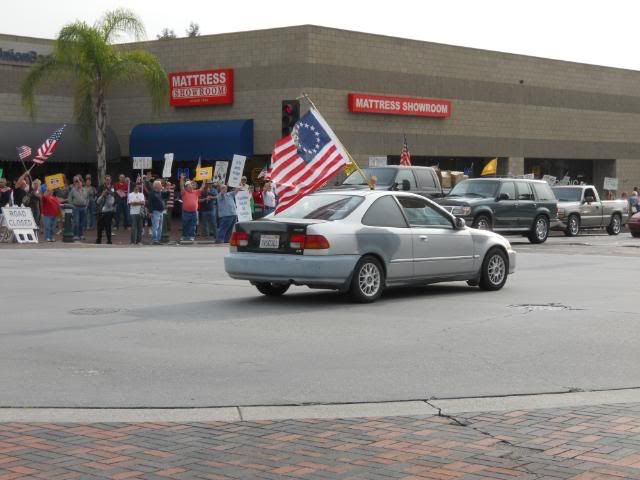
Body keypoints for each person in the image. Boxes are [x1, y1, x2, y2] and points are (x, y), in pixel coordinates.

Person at [179, 175, 205, 242]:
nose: (190, 187)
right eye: (189, 186)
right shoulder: (184, 192)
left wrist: (204, 180)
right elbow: (181, 186)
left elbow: (202, 187)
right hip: (186, 212)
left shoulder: (196, 192)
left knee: (193, 225)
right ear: (186, 187)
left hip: (194, 212)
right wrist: (181, 179)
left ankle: (191, 236)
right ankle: (184, 236)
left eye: (191, 186)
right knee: (185, 224)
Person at [68, 175, 89, 241]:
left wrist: (86, 205)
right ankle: (75, 235)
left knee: (82, 222)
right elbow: (69, 199)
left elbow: (87, 198)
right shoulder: (73, 190)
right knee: (76, 222)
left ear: (81, 182)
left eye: (79, 181)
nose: (78, 183)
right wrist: (72, 205)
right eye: (76, 181)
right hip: (76, 207)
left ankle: (81, 234)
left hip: (83, 208)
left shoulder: (84, 190)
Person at [96, 176, 116, 244]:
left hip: (108, 211)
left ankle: (109, 240)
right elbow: (98, 200)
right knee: (99, 227)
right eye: (106, 180)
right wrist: (102, 194)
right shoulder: (101, 187)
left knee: (108, 226)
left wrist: (109, 193)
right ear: (104, 180)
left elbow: (113, 198)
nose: (108, 181)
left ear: (110, 180)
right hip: (100, 210)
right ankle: (98, 240)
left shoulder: (112, 188)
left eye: (109, 180)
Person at [149, 180, 166, 244]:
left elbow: (167, 195)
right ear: (156, 186)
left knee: (160, 227)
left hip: (161, 211)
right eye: (160, 185)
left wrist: (166, 189)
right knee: (155, 226)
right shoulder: (152, 193)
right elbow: (150, 203)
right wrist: (150, 212)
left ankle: (158, 239)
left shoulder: (161, 193)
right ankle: (155, 239)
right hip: (155, 211)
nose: (161, 186)